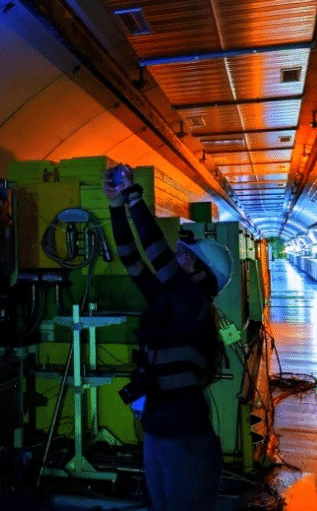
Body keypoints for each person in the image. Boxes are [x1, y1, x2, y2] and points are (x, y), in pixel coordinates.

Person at [103, 164, 229, 511]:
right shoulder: (169, 300)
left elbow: (156, 253)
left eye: (184, 255)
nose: (176, 254)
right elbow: (131, 259)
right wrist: (115, 206)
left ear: (200, 273)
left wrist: (133, 197)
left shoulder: (193, 302)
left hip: (185, 437)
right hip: (158, 430)